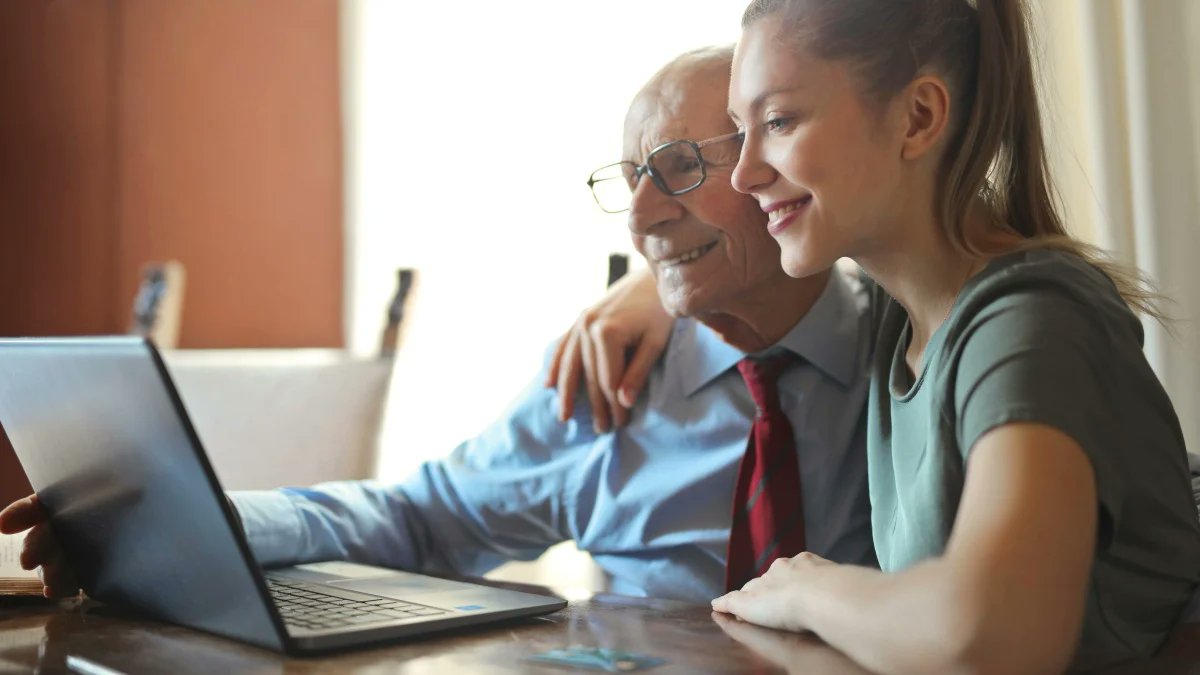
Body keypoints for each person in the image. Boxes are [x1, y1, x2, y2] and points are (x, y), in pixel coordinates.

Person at [0, 45, 876, 604]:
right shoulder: (608, 376)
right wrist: (201, 520)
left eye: (680, 166)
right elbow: (422, 517)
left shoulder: (915, 346)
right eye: (630, 176)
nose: (640, 216)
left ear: (781, 162)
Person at [551, 1, 1200, 671]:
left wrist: (806, 587)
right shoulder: (906, 320)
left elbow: (990, 635)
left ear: (918, 117)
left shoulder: (1031, 324)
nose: (745, 173)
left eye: (777, 122)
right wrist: (662, 289)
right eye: (740, 132)